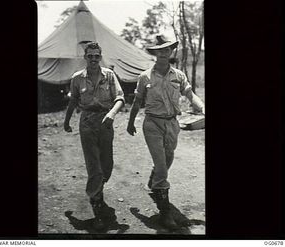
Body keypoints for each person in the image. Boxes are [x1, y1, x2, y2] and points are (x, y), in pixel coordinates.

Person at [126, 35, 205, 230]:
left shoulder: (178, 75)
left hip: (172, 124)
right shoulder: (145, 77)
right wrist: (130, 122)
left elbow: (189, 94)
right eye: (160, 50)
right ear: (155, 53)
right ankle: (165, 213)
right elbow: (137, 101)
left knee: (168, 159)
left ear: (171, 52)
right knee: (162, 166)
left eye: (167, 49)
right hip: (152, 123)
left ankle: (154, 179)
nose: (164, 53)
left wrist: (202, 107)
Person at [64, 42, 125, 230]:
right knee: (94, 166)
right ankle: (96, 202)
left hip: (106, 122)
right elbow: (73, 100)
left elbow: (120, 98)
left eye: (96, 56)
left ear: (101, 56)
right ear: (85, 57)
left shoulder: (110, 75)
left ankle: (97, 187)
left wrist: (112, 113)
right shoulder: (77, 78)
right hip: (87, 123)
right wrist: (66, 122)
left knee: (107, 165)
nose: (93, 59)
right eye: (90, 56)